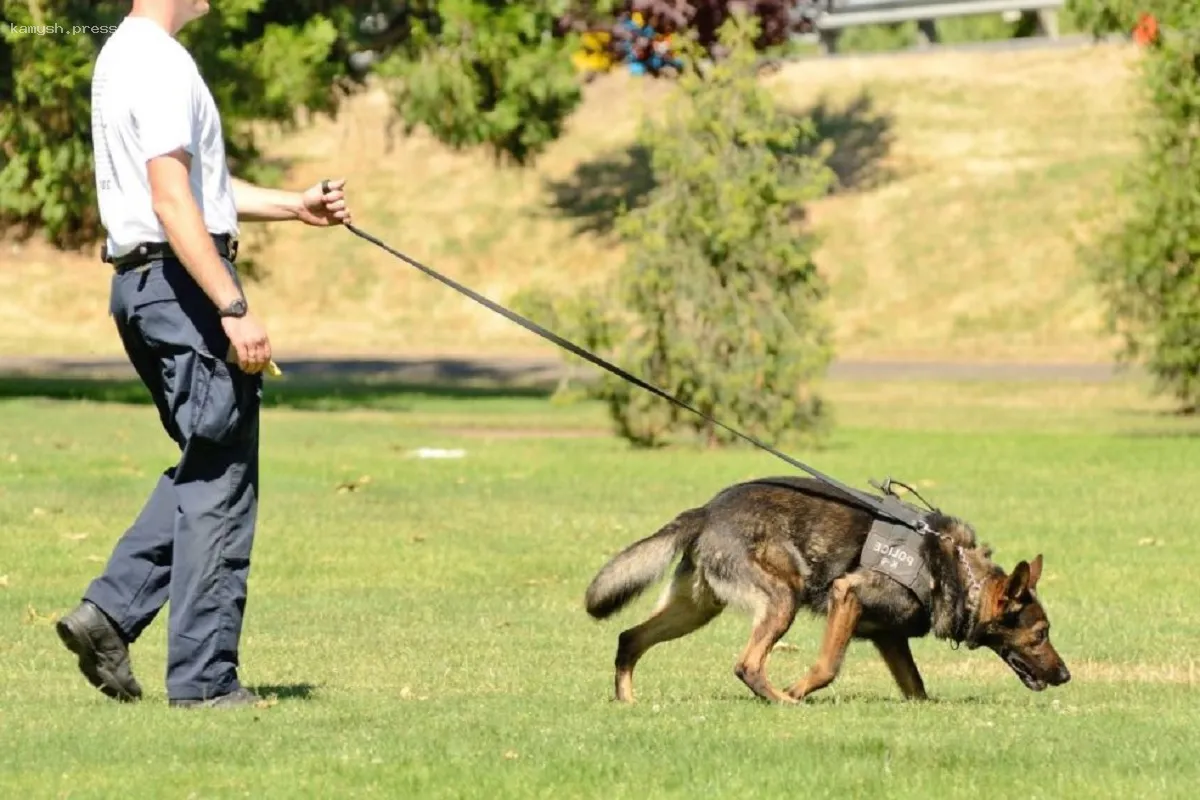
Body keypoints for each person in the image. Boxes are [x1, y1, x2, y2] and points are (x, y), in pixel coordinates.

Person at [55, 0, 352, 709]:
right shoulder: (159, 62)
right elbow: (170, 200)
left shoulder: (124, 54)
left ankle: (108, 615)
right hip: (182, 286)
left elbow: (195, 189)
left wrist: (294, 204)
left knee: (206, 464)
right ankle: (205, 683)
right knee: (221, 482)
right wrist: (232, 305)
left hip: (146, 284)